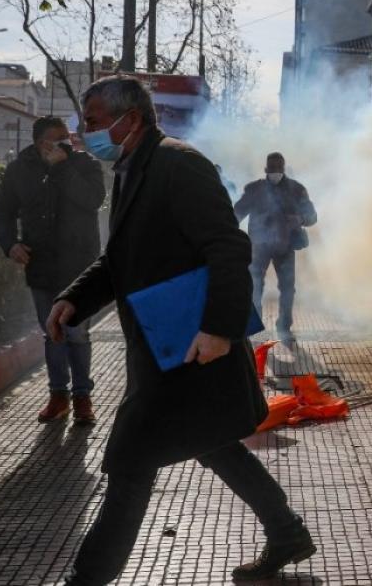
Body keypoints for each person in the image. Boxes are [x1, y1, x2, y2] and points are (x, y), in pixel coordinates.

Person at [48, 75, 312, 584]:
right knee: (211, 442)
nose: (85, 132)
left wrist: (219, 330)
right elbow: (120, 257)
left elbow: (228, 248)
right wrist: (74, 298)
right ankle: (287, 533)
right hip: (166, 347)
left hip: (193, 347)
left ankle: (87, 578)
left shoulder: (179, 164)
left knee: (129, 462)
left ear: (130, 120)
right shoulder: (133, 169)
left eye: (94, 121)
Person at [0, 116, 105, 424]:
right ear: (42, 143)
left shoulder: (85, 164)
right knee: (51, 331)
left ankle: (82, 396)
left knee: (77, 333)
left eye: (67, 137)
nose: (66, 143)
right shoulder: (20, 169)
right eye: (58, 139)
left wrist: (62, 168)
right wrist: (10, 245)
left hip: (79, 266)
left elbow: (93, 200)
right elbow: (2, 213)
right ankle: (58, 396)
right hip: (41, 265)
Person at [234, 152, 317, 345]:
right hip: (259, 248)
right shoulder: (255, 190)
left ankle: (284, 328)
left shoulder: (297, 190)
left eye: (279, 168)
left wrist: (300, 219)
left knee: (288, 289)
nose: (275, 172)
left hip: (285, 247)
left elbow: (312, 216)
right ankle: (253, 328)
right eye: (272, 168)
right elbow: (236, 213)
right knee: (254, 288)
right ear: (266, 169)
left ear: (284, 168)